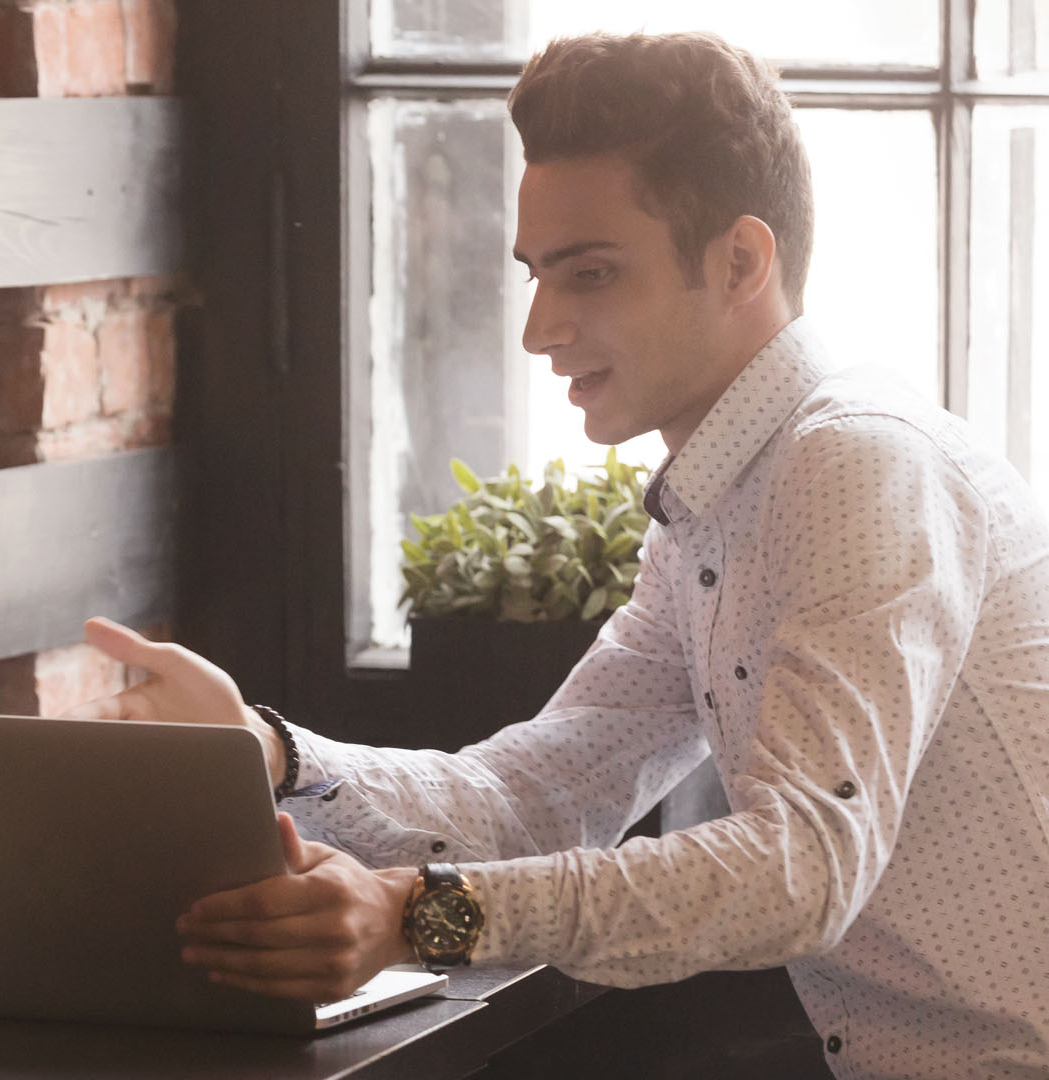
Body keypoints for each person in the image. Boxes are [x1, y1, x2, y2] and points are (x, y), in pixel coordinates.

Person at [71, 31, 1049, 1079]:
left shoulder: (852, 461)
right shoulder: (715, 506)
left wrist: (418, 915)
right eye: (539, 275)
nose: (540, 329)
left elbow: (801, 867)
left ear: (740, 261)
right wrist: (272, 757)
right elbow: (539, 793)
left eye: (591, 274)